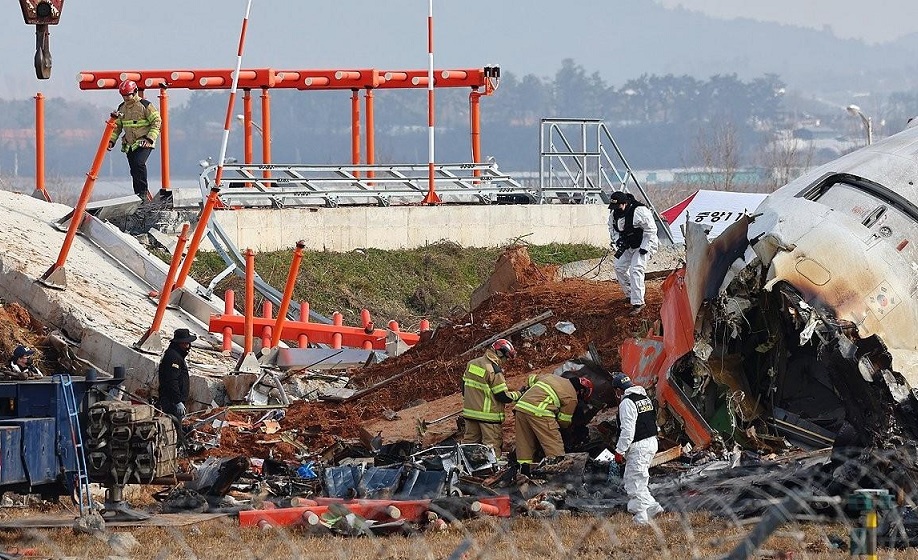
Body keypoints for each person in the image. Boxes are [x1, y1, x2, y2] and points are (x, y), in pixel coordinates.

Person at [611, 372, 663, 524]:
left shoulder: (627, 402)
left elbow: (627, 430)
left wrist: (619, 451)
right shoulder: (644, 398)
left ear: (618, 390)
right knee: (640, 480)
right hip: (651, 441)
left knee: (633, 482)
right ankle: (653, 508)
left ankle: (640, 518)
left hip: (639, 445)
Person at [514, 374, 593, 472]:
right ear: (580, 391)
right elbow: (564, 422)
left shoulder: (552, 377)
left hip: (521, 407)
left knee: (525, 444)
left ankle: (523, 473)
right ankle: (555, 474)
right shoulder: (572, 397)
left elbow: (531, 378)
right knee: (554, 447)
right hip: (540, 412)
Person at [461, 338, 520, 455]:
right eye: (506, 357)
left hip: (470, 414)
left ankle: (466, 470)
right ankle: (494, 472)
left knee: (469, 446)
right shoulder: (494, 369)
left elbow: (463, 387)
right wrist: (518, 394)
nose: (506, 361)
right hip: (489, 417)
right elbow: (502, 396)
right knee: (491, 449)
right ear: (500, 353)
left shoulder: (471, 363)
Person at [107, 80, 162, 201]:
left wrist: (150, 138)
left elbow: (157, 122)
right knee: (134, 170)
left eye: (128, 95)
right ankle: (138, 196)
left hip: (144, 142)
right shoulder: (122, 108)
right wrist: (111, 141)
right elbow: (117, 127)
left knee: (139, 164)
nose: (126, 98)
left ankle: (143, 193)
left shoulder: (145, 105)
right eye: (124, 95)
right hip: (130, 144)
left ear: (135, 92)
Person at [608, 190, 658, 316]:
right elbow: (612, 229)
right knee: (619, 267)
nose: (616, 209)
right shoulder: (614, 214)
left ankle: (638, 303)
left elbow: (651, 230)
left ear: (624, 203)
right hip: (628, 245)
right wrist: (617, 241)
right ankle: (630, 294)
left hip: (645, 243)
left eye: (618, 206)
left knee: (636, 269)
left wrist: (644, 247)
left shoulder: (639, 211)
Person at [158, 328, 197, 419]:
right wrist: (177, 401)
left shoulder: (176, 355)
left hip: (173, 400)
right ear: (180, 343)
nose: (188, 346)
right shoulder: (174, 357)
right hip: (171, 401)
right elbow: (172, 380)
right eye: (186, 343)